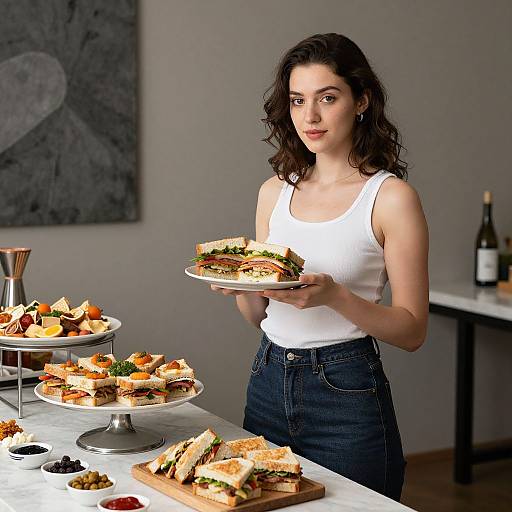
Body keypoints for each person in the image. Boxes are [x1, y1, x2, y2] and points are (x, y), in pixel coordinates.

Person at [211, 33, 429, 501]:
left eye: (327, 98)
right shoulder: (275, 192)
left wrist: (335, 296)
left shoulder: (390, 198)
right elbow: (261, 317)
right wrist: (240, 288)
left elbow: (412, 331)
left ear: (361, 100)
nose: (309, 116)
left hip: (346, 393)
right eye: (297, 100)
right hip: (268, 380)